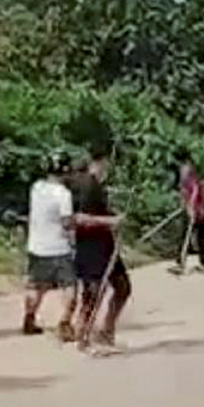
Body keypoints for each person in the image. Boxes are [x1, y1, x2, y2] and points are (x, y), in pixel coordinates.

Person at [72, 149, 129, 349]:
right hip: (92, 246)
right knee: (93, 292)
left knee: (122, 287)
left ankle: (106, 330)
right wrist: (110, 221)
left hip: (106, 244)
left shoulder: (97, 185)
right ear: (101, 161)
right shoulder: (88, 186)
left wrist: (115, 218)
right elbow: (80, 219)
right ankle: (82, 333)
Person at [24, 151, 78, 340]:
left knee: (36, 286)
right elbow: (66, 223)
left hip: (37, 245)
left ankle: (29, 318)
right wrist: (73, 239)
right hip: (58, 247)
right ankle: (65, 322)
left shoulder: (36, 188)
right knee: (69, 286)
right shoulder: (63, 194)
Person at [171, 153, 204, 274]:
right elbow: (184, 195)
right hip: (192, 210)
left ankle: (201, 263)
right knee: (186, 236)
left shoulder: (194, 181)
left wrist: (192, 209)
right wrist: (185, 206)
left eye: (186, 168)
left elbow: (195, 194)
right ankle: (181, 261)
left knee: (198, 238)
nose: (183, 170)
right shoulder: (184, 181)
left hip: (199, 211)